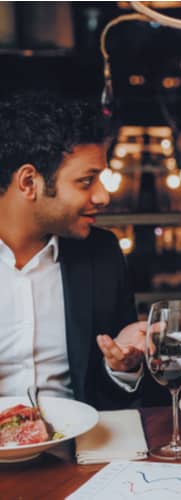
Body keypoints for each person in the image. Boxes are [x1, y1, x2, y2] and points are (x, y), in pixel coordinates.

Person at [0, 93, 146, 410]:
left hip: (81, 449)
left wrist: (123, 368)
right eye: (86, 181)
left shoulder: (102, 254)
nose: (103, 196)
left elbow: (113, 396)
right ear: (29, 182)